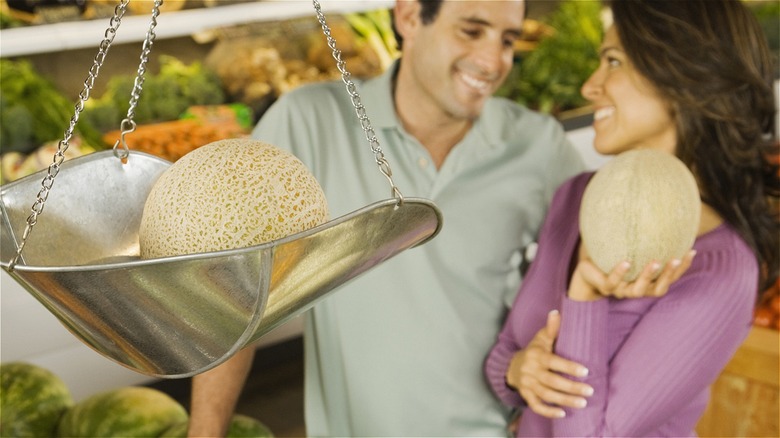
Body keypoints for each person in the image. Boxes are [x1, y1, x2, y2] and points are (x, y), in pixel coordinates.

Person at [188, 0, 585, 436]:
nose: (493, 62)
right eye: (471, 31)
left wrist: (534, 366)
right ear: (409, 17)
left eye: (508, 40)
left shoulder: (539, 145)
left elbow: (596, 272)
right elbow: (232, 287)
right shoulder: (309, 123)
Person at [484, 0, 780, 436]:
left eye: (614, 62)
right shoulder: (576, 196)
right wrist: (517, 370)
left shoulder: (723, 267)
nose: (589, 87)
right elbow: (505, 355)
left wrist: (585, 295)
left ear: (681, 77)